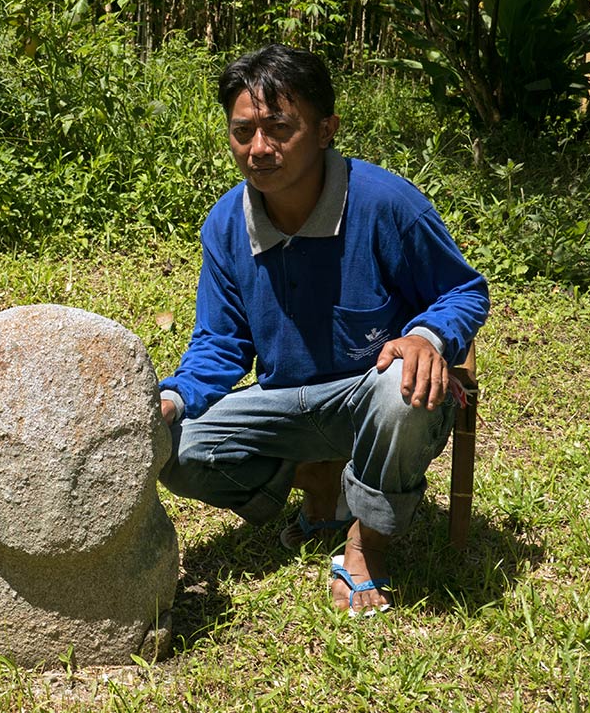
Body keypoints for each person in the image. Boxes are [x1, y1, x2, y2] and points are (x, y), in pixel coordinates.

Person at [157, 44, 489, 616]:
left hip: (377, 397)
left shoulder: (384, 202)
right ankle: (318, 479)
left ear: (326, 128)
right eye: (243, 132)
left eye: (280, 128)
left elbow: (463, 291)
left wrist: (427, 338)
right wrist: (172, 398)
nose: (259, 149)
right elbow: (220, 343)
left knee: (403, 379)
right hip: (288, 399)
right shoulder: (225, 224)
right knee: (171, 447)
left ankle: (367, 546)